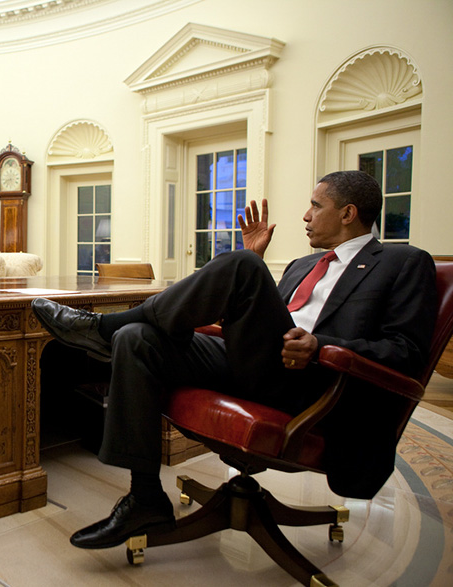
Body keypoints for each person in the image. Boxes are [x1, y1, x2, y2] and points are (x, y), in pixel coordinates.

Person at [31, 170, 436, 550]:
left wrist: (319, 343)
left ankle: (103, 329)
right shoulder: (303, 265)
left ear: (348, 213)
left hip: (314, 384)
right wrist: (254, 260)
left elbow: (406, 352)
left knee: (239, 269)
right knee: (137, 339)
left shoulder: (403, 263)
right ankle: (145, 497)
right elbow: (263, 324)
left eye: (316, 206)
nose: (305, 215)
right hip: (261, 365)